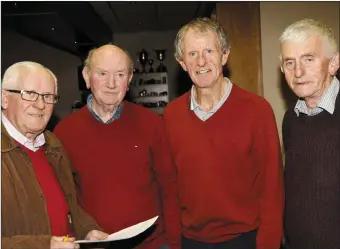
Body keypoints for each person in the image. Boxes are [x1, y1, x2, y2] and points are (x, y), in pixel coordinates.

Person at [163, 17, 284, 249]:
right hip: (190, 241)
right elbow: (170, 187)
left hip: (245, 239)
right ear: (181, 62)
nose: (201, 61)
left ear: (224, 55)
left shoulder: (257, 110)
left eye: (209, 51)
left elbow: (272, 188)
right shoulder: (171, 116)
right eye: (192, 54)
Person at [54, 44, 181, 249]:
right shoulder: (63, 133)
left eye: (120, 74)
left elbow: (170, 188)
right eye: (102, 73)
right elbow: (63, 199)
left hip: (152, 245)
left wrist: (174, 243)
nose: (111, 83)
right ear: (87, 77)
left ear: (129, 79)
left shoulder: (153, 125)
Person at [1, 61, 108, 249]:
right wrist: (44, 245)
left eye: (48, 96)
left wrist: (87, 230)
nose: (40, 104)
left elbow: (70, 206)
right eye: (30, 94)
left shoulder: (53, 144)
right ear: (4, 98)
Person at [280, 19, 340, 249]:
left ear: (333, 63)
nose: (298, 72)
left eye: (308, 59)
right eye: (289, 62)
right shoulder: (291, 118)